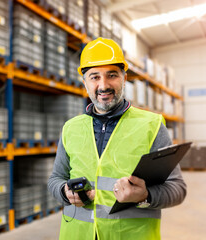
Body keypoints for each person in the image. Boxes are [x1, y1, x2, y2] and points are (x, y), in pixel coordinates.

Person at [47, 37, 187, 240]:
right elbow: (55, 179)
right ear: (84, 82)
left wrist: (146, 196)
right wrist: (64, 191)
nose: (103, 85)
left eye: (112, 75)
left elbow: (177, 188)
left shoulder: (151, 125)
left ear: (124, 78)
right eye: (94, 77)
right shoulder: (70, 128)